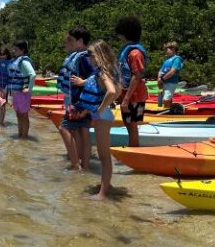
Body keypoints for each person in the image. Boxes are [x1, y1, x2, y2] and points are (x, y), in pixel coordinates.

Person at [72, 40, 121, 200]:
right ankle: (107, 185)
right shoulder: (108, 70)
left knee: (104, 156)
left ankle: (102, 194)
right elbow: (119, 90)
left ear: (99, 55)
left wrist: (99, 110)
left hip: (103, 116)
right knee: (103, 155)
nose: (89, 58)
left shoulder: (102, 72)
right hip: (104, 115)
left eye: (91, 54)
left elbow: (112, 91)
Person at [56, 26, 94, 171]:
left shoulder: (84, 59)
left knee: (63, 128)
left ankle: (75, 165)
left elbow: (95, 78)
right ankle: (84, 166)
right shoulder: (83, 56)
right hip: (82, 102)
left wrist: (84, 105)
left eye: (71, 40)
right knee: (82, 132)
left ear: (80, 41)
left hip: (79, 103)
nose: (69, 43)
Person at [114, 16, 148, 147]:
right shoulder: (126, 51)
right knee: (128, 124)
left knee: (132, 125)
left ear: (125, 33)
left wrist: (126, 99)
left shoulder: (134, 53)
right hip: (126, 94)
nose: (119, 37)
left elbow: (137, 76)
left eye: (120, 34)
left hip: (134, 95)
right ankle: (132, 148)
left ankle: (134, 150)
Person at [7, 40, 36, 139]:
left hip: (23, 93)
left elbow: (33, 74)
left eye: (16, 49)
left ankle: (24, 137)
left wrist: (29, 89)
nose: (14, 51)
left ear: (23, 50)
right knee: (18, 115)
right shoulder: (16, 60)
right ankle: (20, 136)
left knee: (24, 115)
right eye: (14, 48)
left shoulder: (24, 61)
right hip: (16, 93)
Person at [157, 42, 183, 110]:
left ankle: (167, 112)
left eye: (167, 50)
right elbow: (160, 70)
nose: (166, 51)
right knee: (167, 98)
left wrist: (162, 79)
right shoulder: (167, 60)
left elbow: (172, 72)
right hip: (164, 82)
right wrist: (159, 78)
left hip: (171, 82)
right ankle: (170, 110)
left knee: (166, 99)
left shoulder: (177, 59)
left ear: (173, 49)